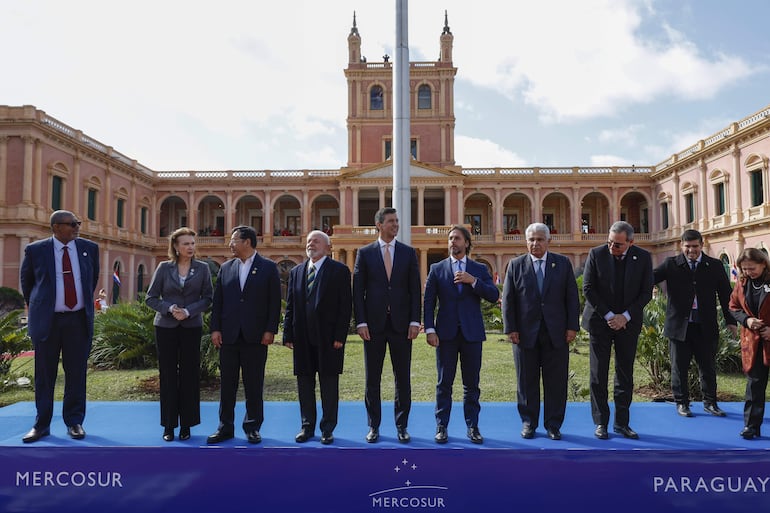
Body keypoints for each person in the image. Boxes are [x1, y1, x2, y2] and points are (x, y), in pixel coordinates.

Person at [19, 210, 99, 443]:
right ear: (56, 227)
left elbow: (91, 280)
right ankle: (41, 424)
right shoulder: (36, 250)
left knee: (76, 373)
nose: (77, 227)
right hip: (48, 322)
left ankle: (74, 421)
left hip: (77, 320)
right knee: (45, 375)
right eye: (71, 224)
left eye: (78, 223)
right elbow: (29, 285)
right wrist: (41, 307)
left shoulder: (89, 248)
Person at [502, 223, 579, 441]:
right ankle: (529, 422)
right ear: (526, 242)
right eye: (531, 240)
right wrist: (511, 329)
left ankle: (553, 424)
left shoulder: (562, 264)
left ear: (548, 241)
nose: (535, 244)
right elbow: (508, 300)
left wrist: (572, 327)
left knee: (556, 381)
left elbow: (572, 298)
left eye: (539, 239)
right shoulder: (516, 265)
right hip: (525, 334)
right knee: (526, 381)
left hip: (556, 334)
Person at [424, 225, 499, 444]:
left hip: (472, 334)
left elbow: (494, 295)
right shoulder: (437, 269)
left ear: (466, 243)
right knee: (444, 383)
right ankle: (441, 426)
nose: (452, 242)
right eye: (450, 239)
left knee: (471, 384)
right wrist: (429, 329)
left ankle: (473, 426)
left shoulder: (478, 268)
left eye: (457, 238)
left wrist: (473, 281)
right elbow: (429, 302)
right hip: (445, 334)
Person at [207, 225, 281, 444]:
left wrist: (270, 330)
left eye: (233, 240)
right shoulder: (226, 267)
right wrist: (215, 328)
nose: (230, 244)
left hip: (256, 336)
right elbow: (218, 301)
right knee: (227, 385)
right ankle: (225, 427)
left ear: (247, 242)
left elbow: (274, 303)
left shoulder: (268, 267)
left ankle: (252, 427)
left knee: (253, 384)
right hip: (228, 335)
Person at [353, 207, 420, 443]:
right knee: (373, 379)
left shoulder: (408, 253)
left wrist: (415, 321)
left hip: (402, 326)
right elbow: (358, 291)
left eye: (397, 221)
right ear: (379, 225)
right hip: (373, 326)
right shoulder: (365, 253)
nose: (396, 225)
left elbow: (414, 290)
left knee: (403, 378)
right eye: (391, 221)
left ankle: (402, 426)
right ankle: (374, 426)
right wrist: (360, 322)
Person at [653, 229, 737, 418]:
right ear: (681, 246)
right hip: (679, 327)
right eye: (687, 246)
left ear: (701, 245)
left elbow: (726, 296)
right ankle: (682, 403)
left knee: (707, 367)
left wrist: (731, 321)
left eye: (695, 246)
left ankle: (710, 403)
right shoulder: (671, 264)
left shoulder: (714, 266)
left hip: (705, 326)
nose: (691, 250)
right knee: (679, 367)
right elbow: (648, 279)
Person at [582, 221, 652, 440]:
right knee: (598, 373)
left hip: (628, 324)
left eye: (618, 245)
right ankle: (600, 423)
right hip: (600, 321)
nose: (612, 248)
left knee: (624, 374)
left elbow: (646, 292)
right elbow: (588, 289)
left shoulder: (643, 258)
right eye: (610, 242)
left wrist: (625, 316)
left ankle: (622, 423)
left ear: (630, 242)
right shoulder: (596, 254)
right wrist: (611, 316)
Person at [284, 230, 352, 445]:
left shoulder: (339, 271)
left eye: (316, 241)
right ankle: (307, 427)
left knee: (328, 384)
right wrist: (288, 334)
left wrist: (340, 335)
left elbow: (345, 306)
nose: (310, 244)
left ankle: (327, 428)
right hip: (302, 337)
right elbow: (291, 306)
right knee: (304, 384)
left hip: (329, 338)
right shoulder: (296, 271)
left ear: (328, 247)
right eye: (308, 241)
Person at [146, 228, 213, 442]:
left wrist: (188, 311)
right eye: (186, 244)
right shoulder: (164, 268)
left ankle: (186, 425)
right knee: (167, 375)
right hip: (165, 327)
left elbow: (208, 298)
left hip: (191, 327)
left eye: (193, 243)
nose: (190, 247)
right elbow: (151, 298)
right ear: (176, 246)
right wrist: (170, 307)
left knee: (189, 375)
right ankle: (168, 425)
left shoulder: (202, 269)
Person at [728, 248, 770, 440]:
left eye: (752, 268)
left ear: (764, 264)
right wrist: (747, 321)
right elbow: (733, 306)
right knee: (754, 385)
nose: (748, 272)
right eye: (744, 269)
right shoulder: (742, 283)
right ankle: (751, 426)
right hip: (753, 342)